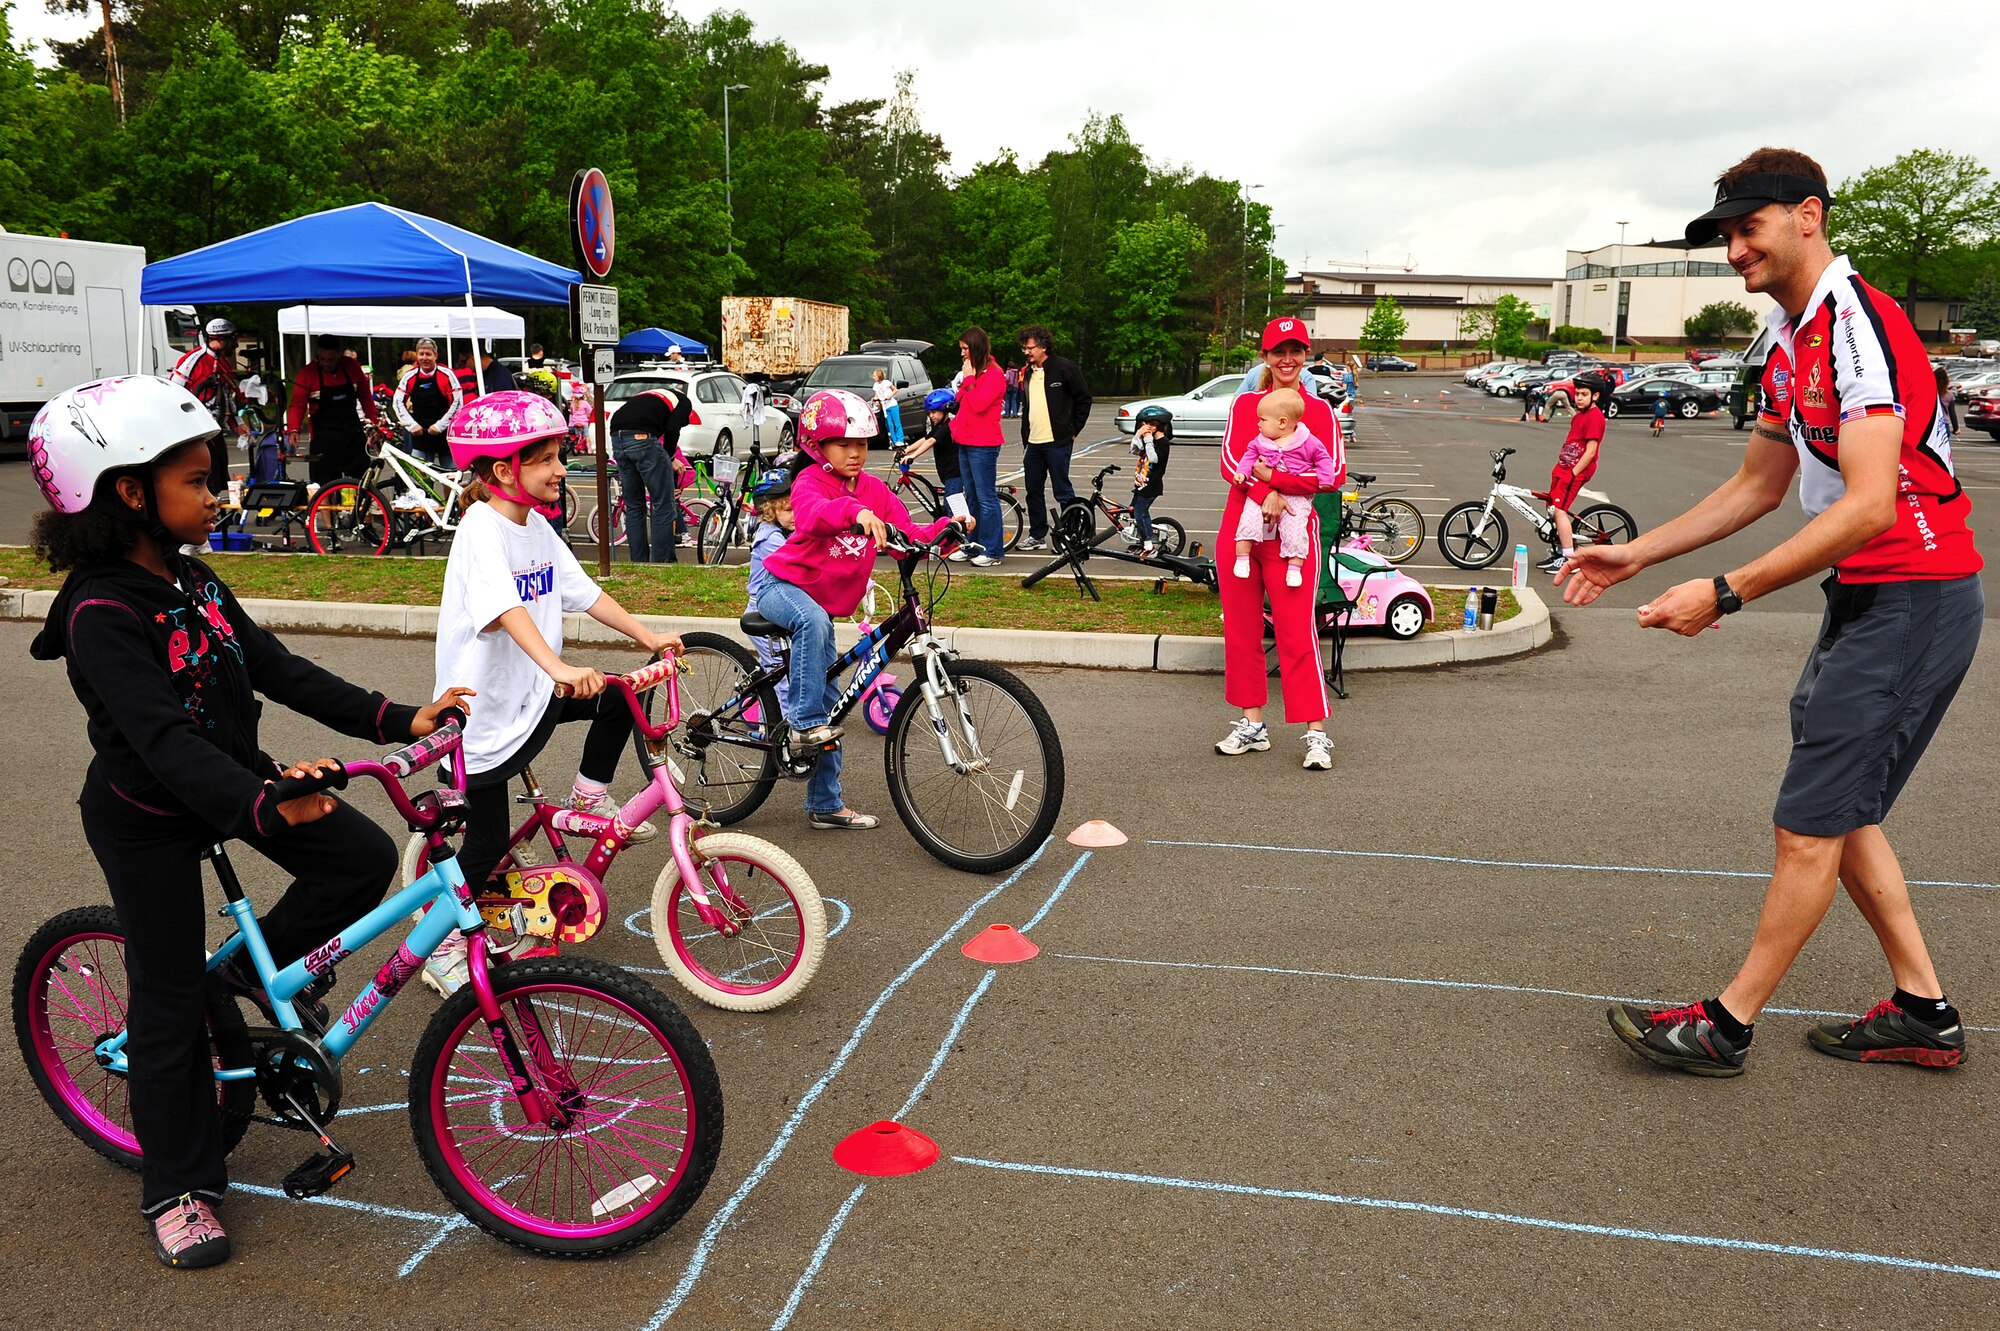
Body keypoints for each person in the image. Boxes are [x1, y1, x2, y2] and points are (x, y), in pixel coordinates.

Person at [24, 376, 471, 1268]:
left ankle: (240, 988)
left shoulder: (190, 576)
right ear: (129, 492)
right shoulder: (100, 611)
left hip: (234, 780)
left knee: (360, 853)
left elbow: (275, 666)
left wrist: (396, 717)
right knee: (164, 1002)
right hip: (147, 815)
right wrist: (259, 799)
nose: (217, 493)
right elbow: (158, 741)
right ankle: (179, 1187)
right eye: (197, 480)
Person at [1576, 148, 1983, 1079]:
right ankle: (1923, 1006)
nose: (1732, 251)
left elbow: (1872, 501)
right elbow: (1761, 483)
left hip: (1914, 595)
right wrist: (1640, 552)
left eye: (1745, 229)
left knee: (1810, 821)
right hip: (1869, 598)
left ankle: (1727, 1022)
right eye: (1723, 235)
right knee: (1842, 808)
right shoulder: (1793, 334)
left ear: (1808, 215)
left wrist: (1725, 592)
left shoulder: (1859, 327)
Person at [422, 390, 680, 996]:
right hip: (479, 715)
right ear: (502, 471)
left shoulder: (536, 527)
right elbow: (507, 610)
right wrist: (560, 667)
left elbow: (584, 592)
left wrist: (649, 636)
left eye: (560, 455)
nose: (562, 469)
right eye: (546, 459)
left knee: (618, 695)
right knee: (484, 843)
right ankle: (443, 946)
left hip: (532, 694)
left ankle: (587, 800)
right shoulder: (480, 531)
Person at [757, 389, 959, 828]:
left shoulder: (874, 490)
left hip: (819, 606)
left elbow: (907, 532)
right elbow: (811, 516)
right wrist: (854, 513)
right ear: (817, 445)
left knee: (834, 704)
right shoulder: (809, 482)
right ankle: (802, 723)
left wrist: (946, 530)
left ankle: (825, 805)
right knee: (812, 626)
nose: (855, 453)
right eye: (844, 444)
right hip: (781, 586)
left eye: (863, 444)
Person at [1214, 316, 1343, 772]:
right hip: (1242, 531)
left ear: (1307, 355)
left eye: (1296, 351)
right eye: (1278, 352)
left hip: (1293, 537)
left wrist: (1275, 482)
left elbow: (1331, 476)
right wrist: (1264, 491)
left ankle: (1315, 734)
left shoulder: (1320, 412)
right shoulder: (1246, 403)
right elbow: (1232, 461)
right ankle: (1252, 724)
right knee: (1242, 630)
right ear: (1265, 357)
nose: (1287, 360)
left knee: (1295, 629)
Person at [1230, 387, 1339, 588]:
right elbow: (1248, 456)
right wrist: (1242, 473)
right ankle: (1242, 556)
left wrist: (1325, 477)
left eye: (1263, 419)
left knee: (1296, 527)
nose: (1258, 423)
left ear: (1282, 422)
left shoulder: (1307, 441)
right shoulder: (1260, 441)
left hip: (1297, 496)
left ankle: (1295, 566)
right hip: (1261, 492)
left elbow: (1324, 458)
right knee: (1249, 518)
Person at [1015, 325, 1092, 552]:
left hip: (1058, 442)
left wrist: (1074, 429)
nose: (1026, 352)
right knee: (1033, 491)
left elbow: (1084, 399)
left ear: (1043, 346)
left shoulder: (1064, 368)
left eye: (1029, 348)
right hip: (1034, 443)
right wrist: (1026, 436)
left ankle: (1071, 536)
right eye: (1024, 348)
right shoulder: (1027, 372)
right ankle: (1037, 535)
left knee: (1062, 490)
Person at [606, 381, 694, 563]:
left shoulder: (647, 397)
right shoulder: (684, 403)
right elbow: (672, 429)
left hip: (617, 436)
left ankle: (639, 562)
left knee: (634, 506)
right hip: (643, 438)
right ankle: (662, 563)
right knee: (662, 504)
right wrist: (669, 457)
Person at [287, 334, 382, 486]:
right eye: (322, 359)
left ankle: (361, 508)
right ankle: (327, 510)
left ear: (339, 355)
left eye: (330, 360)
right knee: (323, 485)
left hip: (352, 436)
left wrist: (374, 422)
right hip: (324, 439)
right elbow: (297, 405)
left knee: (362, 482)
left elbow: (365, 397)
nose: (325, 363)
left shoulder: (351, 367)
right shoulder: (307, 374)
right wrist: (293, 429)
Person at [1541, 370, 1610, 573]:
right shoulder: (1580, 415)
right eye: (1577, 394)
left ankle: (1569, 559)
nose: (1579, 398)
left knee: (1560, 510)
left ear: (1595, 396)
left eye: (1584, 394)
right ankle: (1558, 550)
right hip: (1564, 468)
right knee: (1552, 508)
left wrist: (1573, 473)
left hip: (1576, 471)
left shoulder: (1595, 417)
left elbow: (1590, 452)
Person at [169, 317, 248, 490]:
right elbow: (172, 391)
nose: (235, 346)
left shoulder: (223, 363)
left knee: (219, 476)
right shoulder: (193, 360)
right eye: (233, 341)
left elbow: (227, 397)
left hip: (215, 429)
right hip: (195, 432)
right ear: (222, 340)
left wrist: (238, 424)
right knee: (203, 477)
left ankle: (218, 512)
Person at [951, 327, 1008, 566]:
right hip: (965, 440)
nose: (963, 354)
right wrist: (968, 380)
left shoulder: (994, 375)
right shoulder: (974, 372)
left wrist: (970, 380)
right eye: (961, 349)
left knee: (986, 498)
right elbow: (959, 400)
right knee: (971, 497)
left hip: (983, 444)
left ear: (976, 348)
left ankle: (993, 550)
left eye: (966, 349)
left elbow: (979, 405)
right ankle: (972, 545)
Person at [744, 469, 796, 676]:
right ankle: (779, 709)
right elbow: (796, 566)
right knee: (782, 678)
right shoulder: (769, 539)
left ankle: (766, 703)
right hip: (762, 611)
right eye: (788, 510)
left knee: (787, 671)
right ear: (770, 511)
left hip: (781, 607)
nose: (795, 515)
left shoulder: (788, 531)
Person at [393, 339, 462, 466]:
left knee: (449, 476)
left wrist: (441, 425)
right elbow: (397, 402)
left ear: (435, 355)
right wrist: (411, 424)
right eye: (421, 354)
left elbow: (457, 403)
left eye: (428, 354)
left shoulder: (447, 375)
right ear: (417, 355)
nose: (425, 358)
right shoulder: (410, 376)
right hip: (420, 432)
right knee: (422, 476)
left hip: (445, 432)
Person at [902, 388, 964, 523]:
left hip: (954, 473)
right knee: (950, 507)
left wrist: (913, 456)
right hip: (947, 473)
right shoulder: (939, 426)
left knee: (951, 509)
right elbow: (925, 438)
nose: (931, 416)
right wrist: (906, 451)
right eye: (930, 413)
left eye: (934, 412)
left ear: (946, 410)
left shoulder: (948, 426)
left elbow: (931, 441)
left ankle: (956, 539)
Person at [1128, 404, 1173, 559]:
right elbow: (1134, 450)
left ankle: (1149, 545)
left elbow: (1154, 458)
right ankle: (1141, 541)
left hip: (1151, 486)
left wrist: (1147, 440)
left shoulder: (1163, 443)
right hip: (1141, 485)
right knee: (1134, 511)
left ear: (1155, 426)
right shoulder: (1151, 441)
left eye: (1147, 425)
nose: (1145, 428)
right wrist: (1138, 436)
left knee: (1141, 513)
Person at [871, 367, 905, 446]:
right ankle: (894, 440)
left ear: (879, 376)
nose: (873, 377)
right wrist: (874, 399)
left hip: (892, 405)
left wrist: (890, 396)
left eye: (874, 376)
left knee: (896, 423)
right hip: (884, 406)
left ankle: (900, 440)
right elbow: (877, 395)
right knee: (889, 425)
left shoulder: (886, 382)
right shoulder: (876, 385)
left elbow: (895, 390)